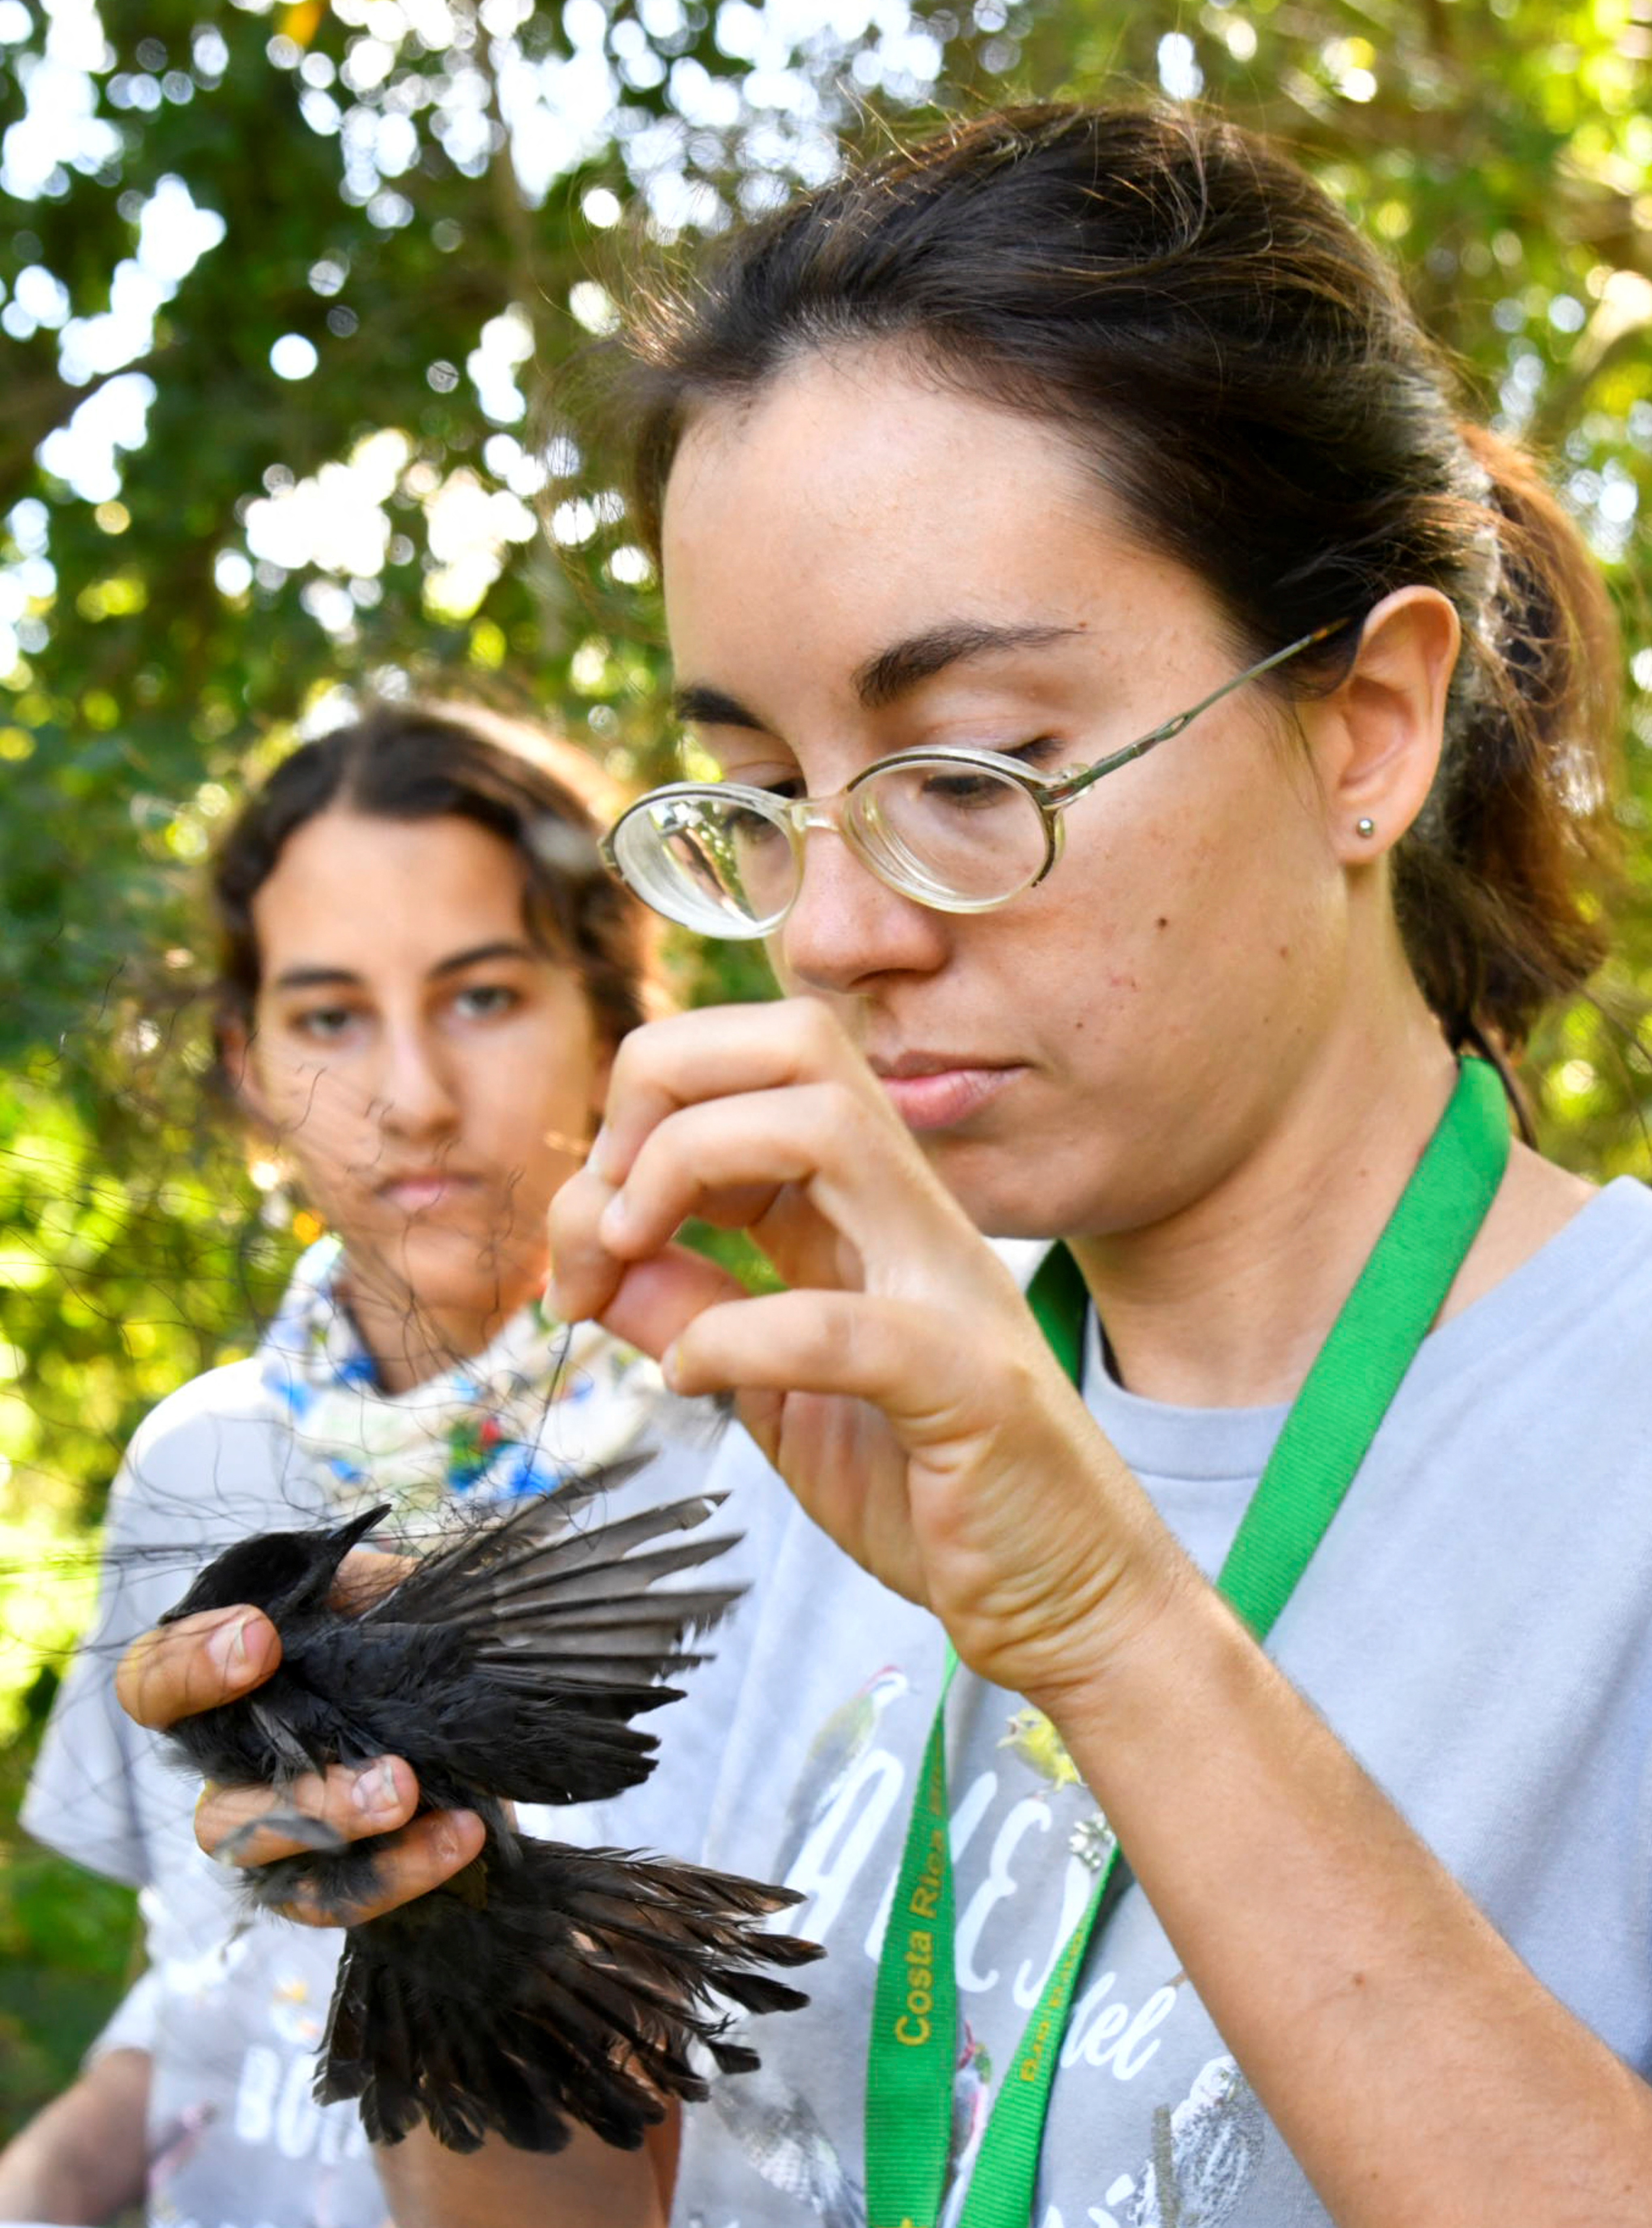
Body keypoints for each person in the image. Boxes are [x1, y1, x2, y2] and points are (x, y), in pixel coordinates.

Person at [117, 101, 1652, 2228]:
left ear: (1370, 725)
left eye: (972, 767)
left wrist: (1105, 1618)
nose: (830, 927)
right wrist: (449, 1901)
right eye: (758, 789)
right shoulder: (823, 1432)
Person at [2, 700, 715, 2228]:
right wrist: (44, 2183)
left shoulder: (751, 1457)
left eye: (481, 995)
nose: (409, 1095)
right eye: (328, 1016)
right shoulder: (195, 1458)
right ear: (246, 1065)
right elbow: (198, 1978)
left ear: (613, 1018)